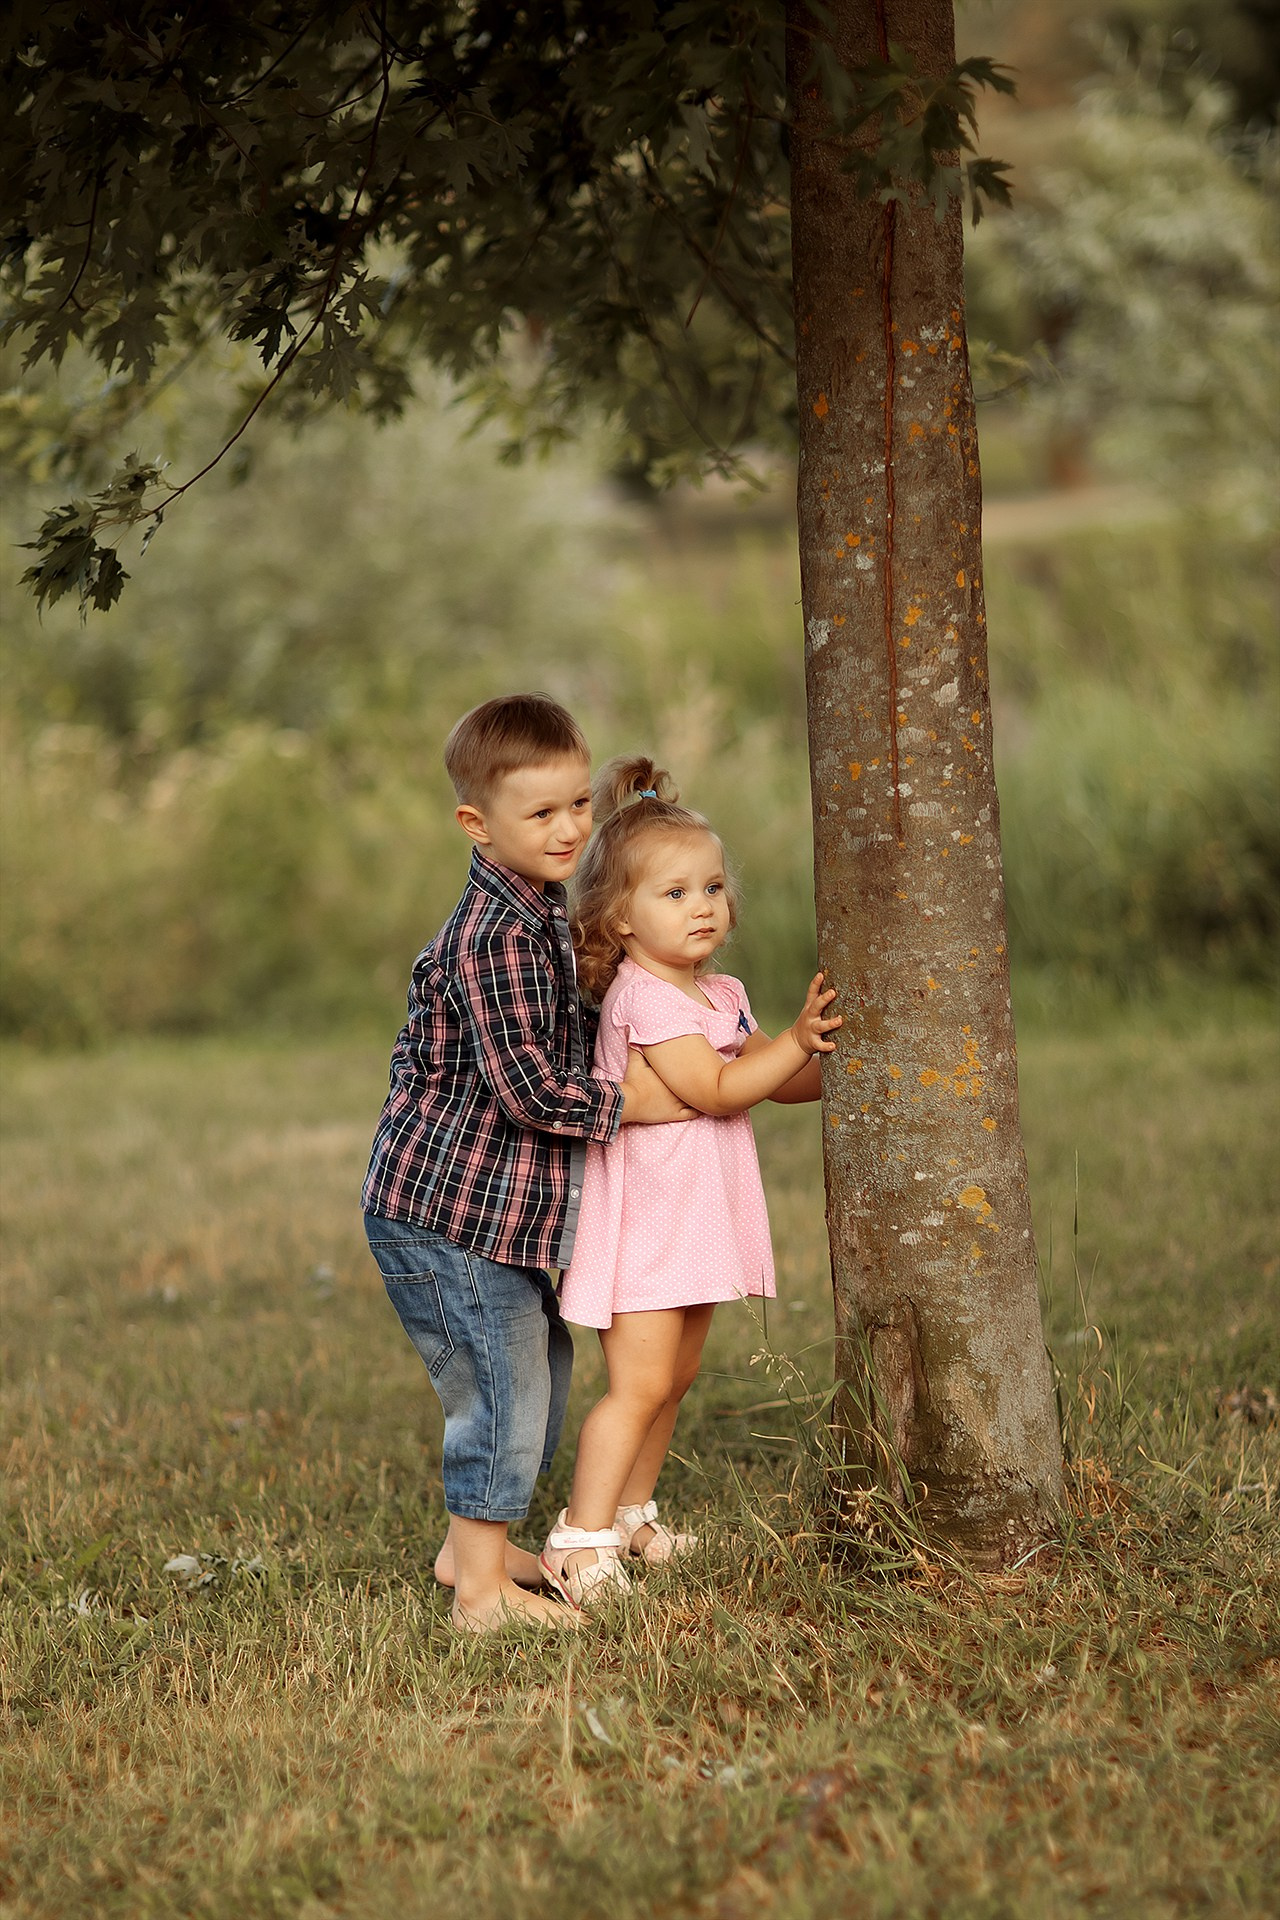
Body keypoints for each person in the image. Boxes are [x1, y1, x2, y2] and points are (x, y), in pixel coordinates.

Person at [362, 698, 691, 1633]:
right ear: (478, 824)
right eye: (540, 814)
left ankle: (472, 1546)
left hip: (489, 1216)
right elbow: (533, 1094)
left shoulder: (543, 910)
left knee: (534, 1373)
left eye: (576, 805)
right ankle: (479, 1598)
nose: (569, 828)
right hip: (443, 1215)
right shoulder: (492, 938)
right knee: (502, 1389)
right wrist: (645, 1101)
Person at [540, 757, 840, 1603]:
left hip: (697, 1221)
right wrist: (797, 1040)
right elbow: (714, 1089)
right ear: (619, 920)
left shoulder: (720, 993)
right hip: (646, 1225)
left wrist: (830, 1059)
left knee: (672, 1382)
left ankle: (634, 1516)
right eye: (673, 894)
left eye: (710, 886)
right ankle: (579, 1540)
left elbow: (773, 1079)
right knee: (635, 1386)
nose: (701, 905)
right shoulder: (643, 999)